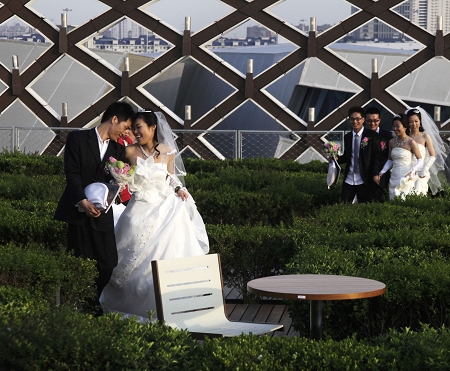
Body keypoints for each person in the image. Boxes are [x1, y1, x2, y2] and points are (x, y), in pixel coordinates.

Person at [100, 110, 209, 319]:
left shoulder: (167, 151)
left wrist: (179, 189)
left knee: (167, 251)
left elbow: (170, 177)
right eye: (133, 128)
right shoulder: (129, 151)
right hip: (139, 205)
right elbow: (120, 175)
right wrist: (120, 178)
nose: (135, 132)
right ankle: (129, 304)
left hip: (164, 207)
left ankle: (169, 304)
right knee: (129, 249)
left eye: (139, 127)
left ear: (152, 128)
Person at [54, 101, 135, 315]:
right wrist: (82, 201)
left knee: (108, 262)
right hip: (78, 211)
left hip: (102, 213)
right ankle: (90, 309)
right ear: (114, 119)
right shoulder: (78, 138)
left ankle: (90, 303)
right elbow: (71, 173)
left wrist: (119, 182)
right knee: (82, 262)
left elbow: (113, 178)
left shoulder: (118, 148)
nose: (126, 132)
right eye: (125, 127)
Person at [332, 106, 381, 203]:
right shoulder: (348, 137)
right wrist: (336, 158)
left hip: (364, 178)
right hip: (349, 178)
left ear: (363, 120)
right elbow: (347, 156)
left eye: (358, 119)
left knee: (364, 206)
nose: (355, 122)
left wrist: (375, 173)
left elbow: (376, 157)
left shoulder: (372, 136)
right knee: (344, 204)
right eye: (352, 119)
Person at [376, 114, 423, 200]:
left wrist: (412, 172)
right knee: (393, 199)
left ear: (405, 127)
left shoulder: (411, 142)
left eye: (397, 126)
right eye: (393, 126)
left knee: (404, 200)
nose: (395, 129)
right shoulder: (391, 142)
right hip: (394, 175)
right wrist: (381, 172)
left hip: (406, 175)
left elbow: (420, 160)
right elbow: (390, 160)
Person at [406, 107, 449, 195]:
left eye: (416, 121)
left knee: (418, 194)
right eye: (411, 122)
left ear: (420, 121)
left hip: (420, 171)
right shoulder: (406, 137)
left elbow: (433, 155)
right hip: (406, 170)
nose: (414, 124)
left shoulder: (425, 136)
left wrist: (425, 169)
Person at [365, 107, 392, 201]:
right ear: (365, 120)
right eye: (369, 121)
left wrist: (378, 173)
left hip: (382, 174)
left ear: (380, 120)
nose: (372, 123)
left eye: (375, 120)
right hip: (366, 175)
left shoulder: (387, 135)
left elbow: (388, 156)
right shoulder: (363, 135)